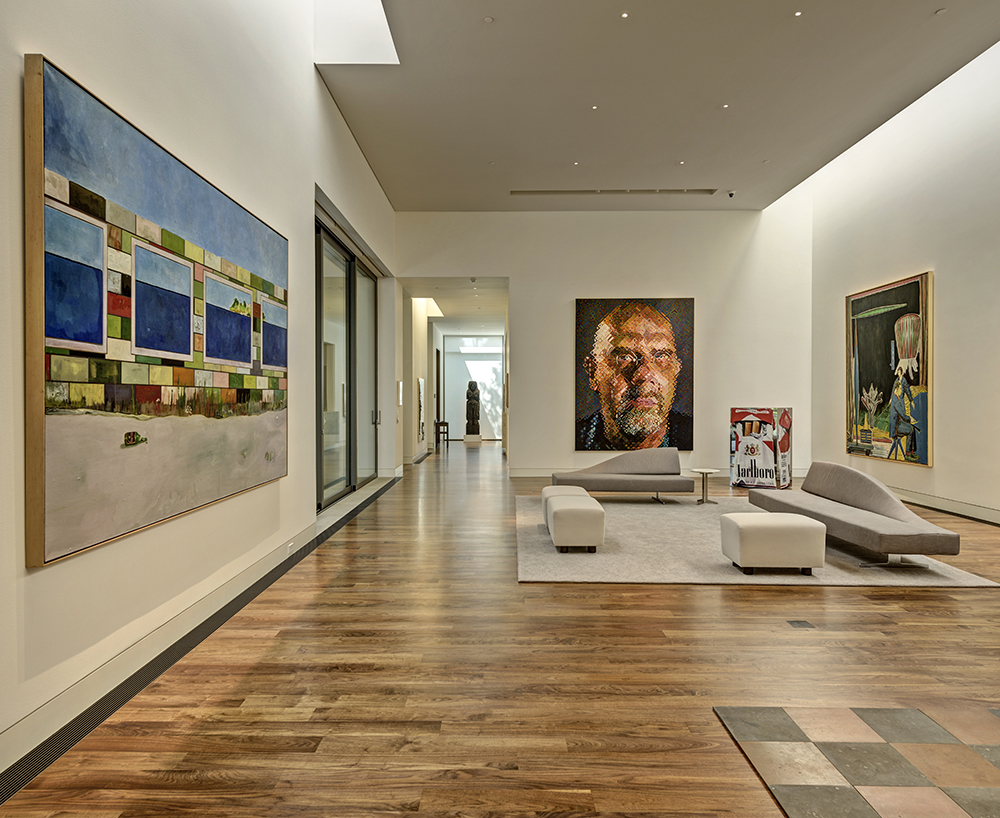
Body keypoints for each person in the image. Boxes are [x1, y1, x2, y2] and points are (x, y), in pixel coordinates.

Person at [577, 301, 693, 450]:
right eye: (624, 357)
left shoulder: (699, 439)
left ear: (675, 371)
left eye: (661, 356)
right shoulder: (569, 441)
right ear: (594, 373)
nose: (644, 375)